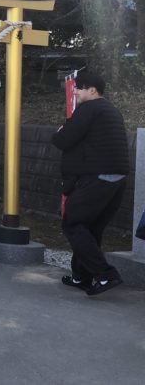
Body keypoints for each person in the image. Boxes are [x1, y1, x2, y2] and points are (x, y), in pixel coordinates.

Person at [52, 71, 128, 296]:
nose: (75, 91)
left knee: (72, 223)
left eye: (80, 88)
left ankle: (106, 274)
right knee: (90, 228)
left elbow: (64, 139)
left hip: (96, 178)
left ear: (92, 90)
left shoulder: (88, 109)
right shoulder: (112, 110)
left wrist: (59, 132)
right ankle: (81, 276)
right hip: (118, 178)